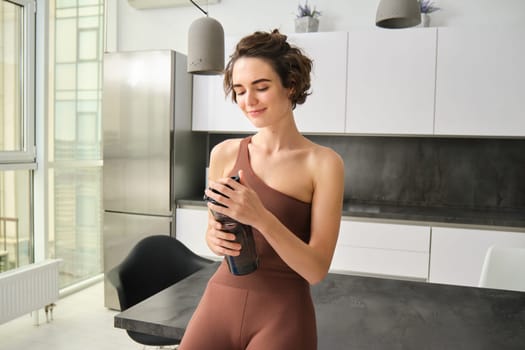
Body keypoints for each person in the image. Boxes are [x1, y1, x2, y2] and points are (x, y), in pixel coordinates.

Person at [179, 29, 344, 350]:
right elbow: (217, 236)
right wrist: (212, 237)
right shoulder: (223, 154)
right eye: (239, 91)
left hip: (283, 313)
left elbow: (316, 270)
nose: (248, 101)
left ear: (291, 85)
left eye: (262, 87)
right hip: (219, 301)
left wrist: (262, 218)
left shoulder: (323, 163)